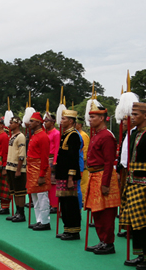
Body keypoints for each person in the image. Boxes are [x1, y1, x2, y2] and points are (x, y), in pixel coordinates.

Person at [84, 104, 120, 255]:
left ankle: (109, 243)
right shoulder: (96, 134)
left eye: (92, 117)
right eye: (90, 116)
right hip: (94, 175)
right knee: (96, 212)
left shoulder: (106, 136)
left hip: (103, 176)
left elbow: (108, 161)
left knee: (106, 213)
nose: (89, 119)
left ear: (101, 118)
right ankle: (102, 240)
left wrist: (105, 183)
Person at [119, 102, 146, 267]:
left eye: (136, 115)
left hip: (144, 182)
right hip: (132, 182)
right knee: (136, 222)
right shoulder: (134, 134)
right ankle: (140, 255)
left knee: (144, 222)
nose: (132, 118)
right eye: (132, 114)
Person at [55, 110, 82, 240]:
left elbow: (73, 158)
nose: (61, 121)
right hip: (62, 174)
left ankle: (74, 230)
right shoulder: (64, 134)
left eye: (64, 119)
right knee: (64, 202)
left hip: (69, 175)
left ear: (71, 121)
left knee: (70, 203)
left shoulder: (74, 136)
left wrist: (71, 177)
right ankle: (67, 228)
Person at [26, 112, 51, 231]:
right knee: (34, 196)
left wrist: (42, 174)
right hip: (31, 169)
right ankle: (39, 220)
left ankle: (45, 221)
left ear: (38, 122)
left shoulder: (43, 136)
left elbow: (44, 157)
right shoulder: (34, 135)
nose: (29, 123)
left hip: (39, 168)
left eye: (31, 121)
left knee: (42, 196)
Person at [6, 116, 27, 222]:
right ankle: (17, 212)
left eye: (12, 123)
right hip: (10, 166)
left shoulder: (21, 136)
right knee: (14, 191)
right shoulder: (12, 136)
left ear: (17, 124)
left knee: (20, 192)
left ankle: (21, 213)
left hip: (17, 168)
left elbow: (21, 155)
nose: (10, 124)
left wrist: (18, 169)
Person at [44, 112, 61, 214]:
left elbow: (57, 148)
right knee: (48, 182)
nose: (45, 123)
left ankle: (54, 205)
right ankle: (50, 203)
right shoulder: (47, 133)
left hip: (52, 159)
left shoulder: (56, 133)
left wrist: (55, 161)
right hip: (46, 158)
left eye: (47, 121)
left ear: (52, 122)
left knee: (53, 182)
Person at [76, 117, 90, 208]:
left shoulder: (83, 135)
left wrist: (84, 161)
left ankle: (83, 200)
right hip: (79, 161)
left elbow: (84, 150)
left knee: (83, 182)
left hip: (82, 162)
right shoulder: (77, 134)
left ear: (80, 125)